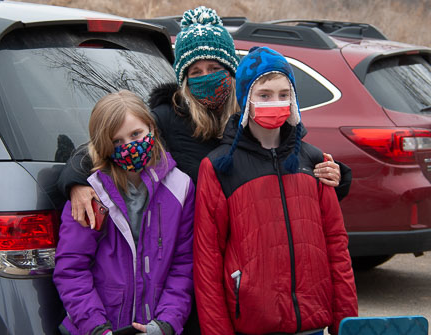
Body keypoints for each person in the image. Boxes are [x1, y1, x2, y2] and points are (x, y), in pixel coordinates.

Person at [56, 6, 350, 335]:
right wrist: (77, 181)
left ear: (232, 71)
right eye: (195, 71)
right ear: (182, 78)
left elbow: (291, 163)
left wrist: (337, 178)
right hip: (191, 267)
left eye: (214, 68)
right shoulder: (167, 119)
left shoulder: (253, 114)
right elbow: (110, 140)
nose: (205, 77)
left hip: (251, 272)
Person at [193, 47, 358, 335]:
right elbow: (207, 259)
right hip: (254, 323)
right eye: (265, 95)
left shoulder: (314, 160)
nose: (276, 102)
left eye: (284, 94)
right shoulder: (219, 167)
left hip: (312, 321)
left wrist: (347, 324)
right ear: (246, 99)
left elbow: (336, 246)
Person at [53, 90, 195, 335]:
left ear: (151, 128)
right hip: (98, 327)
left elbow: (183, 265)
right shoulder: (92, 193)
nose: (129, 146)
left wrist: (166, 323)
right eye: (117, 142)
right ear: (104, 145)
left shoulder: (180, 187)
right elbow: (72, 268)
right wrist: (96, 328)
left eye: (136, 134)